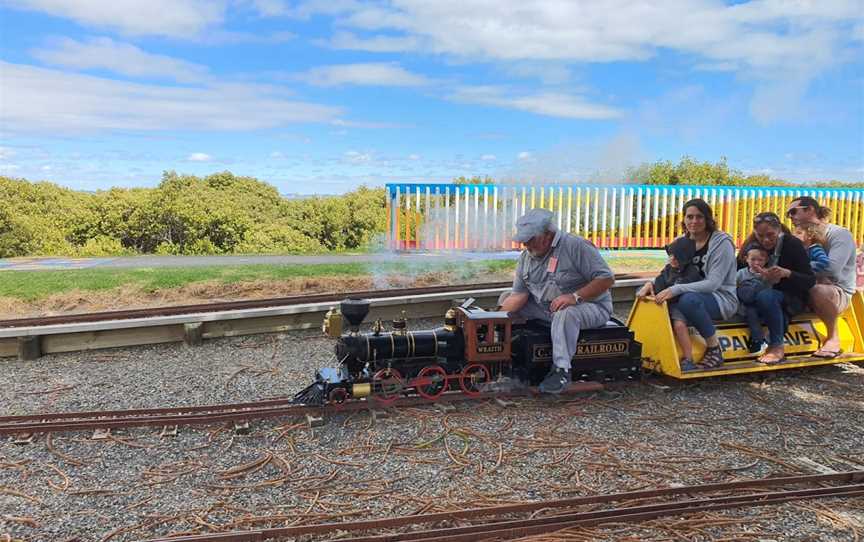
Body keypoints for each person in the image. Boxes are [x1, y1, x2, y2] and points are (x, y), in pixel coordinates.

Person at [500, 208, 615, 394]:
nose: (525, 245)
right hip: (547, 309)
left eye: (530, 239)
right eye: (523, 241)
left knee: (565, 313)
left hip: (591, 307)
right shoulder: (526, 258)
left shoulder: (575, 246)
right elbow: (518, 296)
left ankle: (561, 371)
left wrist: (575, 297)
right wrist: (493, 317)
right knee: (505, 297)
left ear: (547, 235)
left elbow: (606, 278)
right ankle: (512, 356)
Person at [642, 199, 737, 370]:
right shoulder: (683, 241)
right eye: (689, 217)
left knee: (688, 299)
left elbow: (713, 284)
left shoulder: (721, 242)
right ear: (684, 219)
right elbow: (670, 271)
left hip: (720, 297)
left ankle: (714, 349)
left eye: (699, 217)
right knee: (650, 296)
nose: (694, 221)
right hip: (687, 292)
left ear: (708, 219)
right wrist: (652, 284)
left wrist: (675, 289)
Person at [738, 212, 815, 364]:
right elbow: (737, 272)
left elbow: (809, 280)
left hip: (790, 296)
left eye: (770, 235)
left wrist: (787, 274)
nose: (765, 240)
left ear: (779, 229)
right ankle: (760, 339)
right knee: (752, 292)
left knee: (766, 295)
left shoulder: (792, 244)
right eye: (760, 235)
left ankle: (777, 346)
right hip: (755, 293)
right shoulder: (751, 246)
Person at [787, 196, 857, 358]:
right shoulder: (798, 236)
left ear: (810, 209)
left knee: (818, 290)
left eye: (793, 212)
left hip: (836, 291)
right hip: (804, 286)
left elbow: (832, 269)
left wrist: (797, 270)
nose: (790, 217)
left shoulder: (839, 234)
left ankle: (833, 338)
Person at [736, 244, 771, 355]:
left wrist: (766, 277)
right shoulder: (741, 273)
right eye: (753, 259)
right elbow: (733, 287)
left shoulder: (768, 273)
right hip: (747, 305)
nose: (756, 263)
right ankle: (758, 340)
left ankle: (766, 339)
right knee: (751, 312)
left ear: (766, 260)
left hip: (762, 304)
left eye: (760, 260)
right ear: (746, 259)